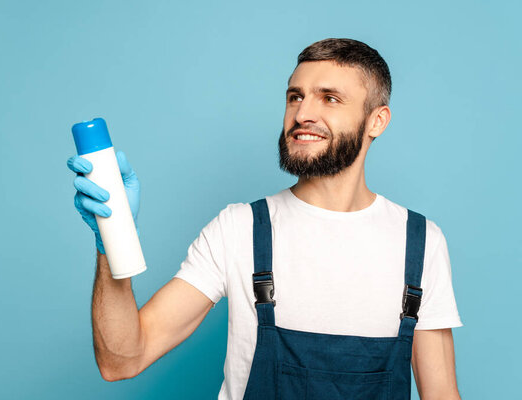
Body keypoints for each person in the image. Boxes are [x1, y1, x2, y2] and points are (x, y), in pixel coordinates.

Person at [67, 38, 463, 399]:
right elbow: (122, 360)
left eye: (329, 98)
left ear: (377, 120)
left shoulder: (421, 242)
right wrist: (111, 241)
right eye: (295, 96)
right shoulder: (238, 229)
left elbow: (442, 395)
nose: (303, 113)